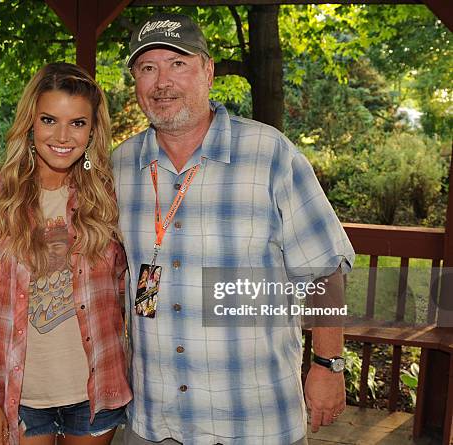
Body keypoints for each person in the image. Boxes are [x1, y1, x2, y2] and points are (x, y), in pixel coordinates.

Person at [112, 12, 355, 445]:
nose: (162, 81)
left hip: (254, 419)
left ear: (208, 71)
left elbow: (325, 269)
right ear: (135, 80)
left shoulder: (270, 153)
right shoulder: (120, 166)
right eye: (148, 68)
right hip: (155, 421)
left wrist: (328, 364)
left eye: (177, 64)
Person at [0, 62, 131, 445]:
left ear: (93, 130)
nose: (63, 136)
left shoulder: (108, 200)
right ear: (30, 123)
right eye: (50, 119)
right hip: (20, 397)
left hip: (97, 392)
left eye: (78, 123)